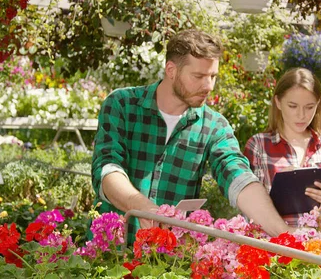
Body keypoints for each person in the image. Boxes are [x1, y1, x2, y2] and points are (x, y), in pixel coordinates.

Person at [91, 28, 293, 243]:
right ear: (171, 70)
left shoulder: (214, 126)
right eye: (198, 76)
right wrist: (141, 206)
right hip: (111, 250)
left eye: (213, 76)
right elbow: (107, 168)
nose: (208, 86)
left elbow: (238, 177)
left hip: (166, 260)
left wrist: (286, 237)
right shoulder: (122, 104)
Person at [244, 68, 321, 226]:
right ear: (278, 102)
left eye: (309, 107)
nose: (301, 115)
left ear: (318, 104)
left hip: (320, 245)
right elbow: (250, 210)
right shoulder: (259, 146)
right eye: (293, 106)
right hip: (275, 244)